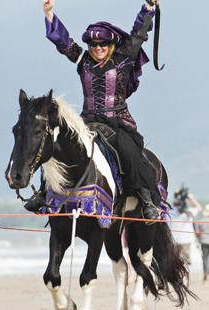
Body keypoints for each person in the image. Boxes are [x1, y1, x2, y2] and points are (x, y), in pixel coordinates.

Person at [25, 0, 162, 223]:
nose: (98, 48)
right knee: (53, 144)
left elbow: (138, 34)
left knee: (129, 152)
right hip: (87, 121)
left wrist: (148, 8)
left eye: (103, 45)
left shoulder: (123, 58)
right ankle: (43, 193)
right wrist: (49, 13)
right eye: (94, 45)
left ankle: (146, 200)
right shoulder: (83, 59)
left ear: (110, 46)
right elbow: (62, 42)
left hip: (118, 122)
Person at [166, 187, 202, 268]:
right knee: (185, 261)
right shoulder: (188, 212)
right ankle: (183, 276)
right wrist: (191, 199)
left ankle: (178, 276)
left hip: (173, 240)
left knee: (173, 259)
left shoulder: (169, 211)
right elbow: (199, 208)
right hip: (186, 239)